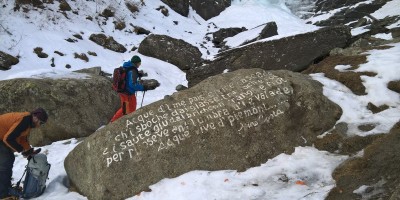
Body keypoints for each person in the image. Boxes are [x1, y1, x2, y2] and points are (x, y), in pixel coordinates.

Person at [0, 108, 48, 200]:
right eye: (41, 123)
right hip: (2, 138)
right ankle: (2, 194)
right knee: (5, 163)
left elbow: (22, 139)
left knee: (9, 159)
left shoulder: (28, 123)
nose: (39, 126)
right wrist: (22, 150)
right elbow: (8, 139)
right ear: (35, 117)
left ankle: (6, 188)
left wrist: (29, 151)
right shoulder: (24, 120)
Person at [110, 55, 150, 122]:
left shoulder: (127, 67)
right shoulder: (132, 70)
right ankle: (114, 122)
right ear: (136, 63)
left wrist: (138, 74)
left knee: (129, 109)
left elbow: (128, 77)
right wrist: (143, 87)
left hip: (123, 92)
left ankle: (126, 121)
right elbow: (133, 84)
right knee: (126, 109)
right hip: (127, 93)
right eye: (139, 63)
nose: (139, 65)